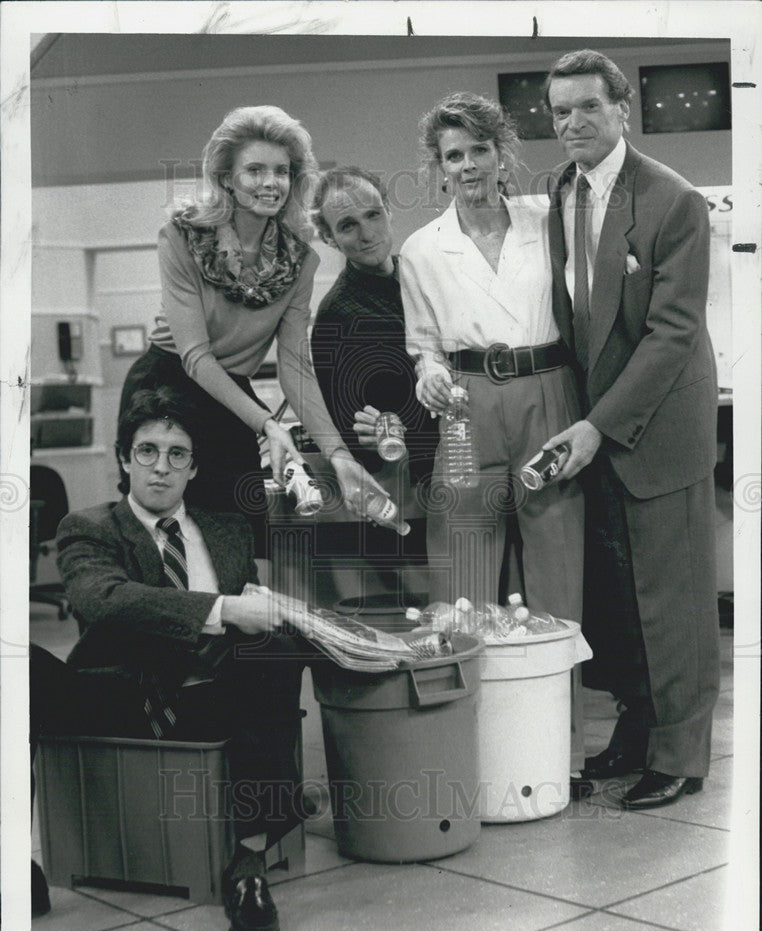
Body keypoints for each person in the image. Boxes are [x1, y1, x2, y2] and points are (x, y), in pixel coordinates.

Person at [31, 387, 323, 931]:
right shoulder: (89, 528)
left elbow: (256, 613)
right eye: (147, 451)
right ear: (123, 457)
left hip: (212, 701)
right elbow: (106, 600)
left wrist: (273, 612)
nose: (160, 468)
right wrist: (224, 609)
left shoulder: (228, 528)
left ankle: (249, 866)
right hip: (122, 699)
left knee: (277, 646)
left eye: (176, 454)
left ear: (193, 467)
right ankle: (12, 864)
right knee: (16, 668)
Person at [542, 50, 720, 809]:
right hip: (594, 428)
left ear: (623, 109)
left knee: (672, 602)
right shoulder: (561, 190)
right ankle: (636, 729)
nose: (573, 122)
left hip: (656, 427)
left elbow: (672, 334)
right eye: (559, 112)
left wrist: (598, 425)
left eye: (588, 106)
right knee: (618, 598)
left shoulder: (673, 200)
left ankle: (682, 756)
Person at [399, 92, 587, 780]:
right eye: (455, 155)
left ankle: (557, 753)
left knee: (558, 572)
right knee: (463, 570)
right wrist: (427, 374)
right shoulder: (421, 250)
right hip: (464, 407)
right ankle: (469, 754)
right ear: (438, 168)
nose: (470, 164)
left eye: (481, 149)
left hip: (549, 392)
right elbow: (423, 346)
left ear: (503, 153)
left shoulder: (551, 222)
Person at [119, 106, 385, 552]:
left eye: (281, 171)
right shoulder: (181, 237)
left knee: (237, 535)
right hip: (164, 386)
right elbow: (195, 356)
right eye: (255, 170)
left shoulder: (300, 259)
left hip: (232, 399)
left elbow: (295, 366)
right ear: (227, 178)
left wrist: (339, 456)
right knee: (158, 537)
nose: (270, 182)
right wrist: (267, 424)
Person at [310, 166, 438, 597]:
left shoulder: (423, 276)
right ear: (329, 238)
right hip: (412, 487)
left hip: (471, 456)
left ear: (388, 211)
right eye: (347, 225)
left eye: (373, 215)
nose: (366, 233)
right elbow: (346, 427)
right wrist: (375, 428)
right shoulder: (336, 315)